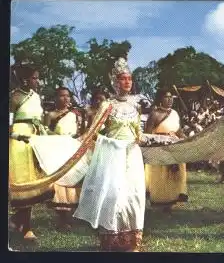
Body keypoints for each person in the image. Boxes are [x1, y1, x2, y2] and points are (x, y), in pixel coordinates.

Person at [73, 58, 146, 252]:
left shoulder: (135, 105)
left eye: (129, 79)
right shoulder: (107, 105)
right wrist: (108, 143)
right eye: (123, 79)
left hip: (132, 155)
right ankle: (111, 240)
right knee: (113, 195)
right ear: (115, 82)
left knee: (134, 195)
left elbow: (138, 133)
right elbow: (94, 131)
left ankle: (131, 242)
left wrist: (144, 139)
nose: (127, 82)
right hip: (113, 155)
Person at [9, 63, 50, 241]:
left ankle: (20, 222)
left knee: (34, 184)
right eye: (34, 77)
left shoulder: (37, 97)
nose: (37, 81)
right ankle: (25, 227)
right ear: (25, 79)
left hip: (35, 139)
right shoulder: (14, 97)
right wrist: (19, 136)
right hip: (18, 142)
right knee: (23, 182)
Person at [44, 87, 83, 231]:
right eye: (62, 96)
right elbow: (44, 133)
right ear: (56, 98)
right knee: (60, 184)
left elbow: (80, 132)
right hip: (56, 151)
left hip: (72, 150)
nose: (65, 99)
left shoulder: (75, 114)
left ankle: (70, 214)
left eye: (68, 96)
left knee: (73, 181)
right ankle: (62, 218)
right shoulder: (51, 115)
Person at [144, 89, 188, 211]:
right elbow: (147, 134)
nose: (170, 100)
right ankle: (159, 201)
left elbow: (179, 131)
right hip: (159, 149)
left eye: (171, 97)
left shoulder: (174, 113)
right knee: (161, 175)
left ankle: (172, 199)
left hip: (174, 147)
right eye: (167, 97)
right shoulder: (154, 114)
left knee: (173, 175)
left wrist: (188, 139)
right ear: (160, 99)